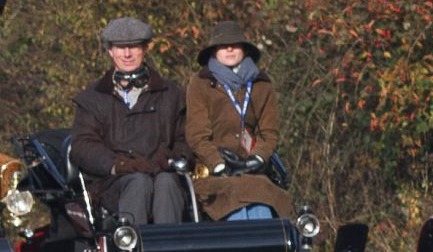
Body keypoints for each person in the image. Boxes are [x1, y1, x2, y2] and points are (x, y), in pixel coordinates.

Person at [70, 17, 191, 225]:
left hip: (162, 174)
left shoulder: (171, 94)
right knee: (138, 182)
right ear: (110, 51)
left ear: (145, 49)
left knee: (167, 183)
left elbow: (185, 138)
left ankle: (171, 251)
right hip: (114, 183)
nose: (127, 54)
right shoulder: (93, 98)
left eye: (133, 47)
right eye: (120, 48)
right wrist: (118, 164)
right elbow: (82, 146)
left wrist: (172, 158)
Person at [187, 18, 289, 221]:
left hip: (254, 171)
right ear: (214, 51)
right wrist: (218, 165)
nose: (230, 49)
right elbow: (197, 135)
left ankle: (266, 250)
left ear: (244, 49)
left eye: (235, 45)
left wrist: (257, 158)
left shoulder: (261, 84)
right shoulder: (200, 84)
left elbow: (268, 133)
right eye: (223, 46)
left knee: (261, 202)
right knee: (234, 205)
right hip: (216, 174)